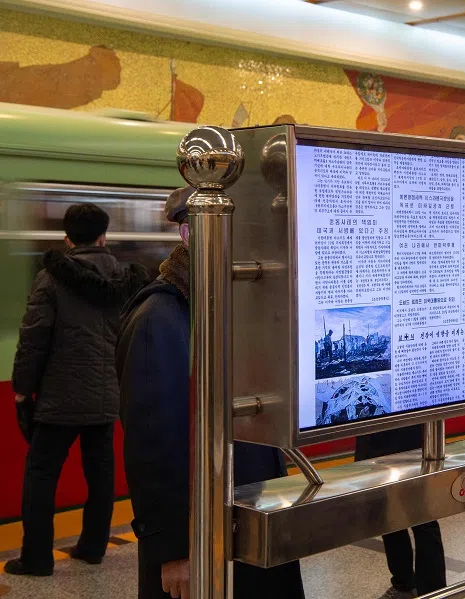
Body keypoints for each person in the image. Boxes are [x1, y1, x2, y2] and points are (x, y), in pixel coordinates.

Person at [116, 186, 304, 599]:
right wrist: (174, 550)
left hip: (251, 513)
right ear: (190, 236)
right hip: (200, 537)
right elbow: (155, 442)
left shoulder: (226, 306)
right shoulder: (160, 319)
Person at [6, 203, 147, 576]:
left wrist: (23, 390)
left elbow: (33, 340)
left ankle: (36, 557)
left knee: (41, 474)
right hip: (105, 396)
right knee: (100, 473)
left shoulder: (51, 279)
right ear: (104, 236)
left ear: (67, 238)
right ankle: (93, 546)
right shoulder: (124, 277)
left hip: (59, 399)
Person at [356, 426, 447, 599]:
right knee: (385, 514)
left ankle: (433, 591)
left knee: (422, 517)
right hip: (372, 439)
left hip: (406, 440)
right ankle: (404, 583)